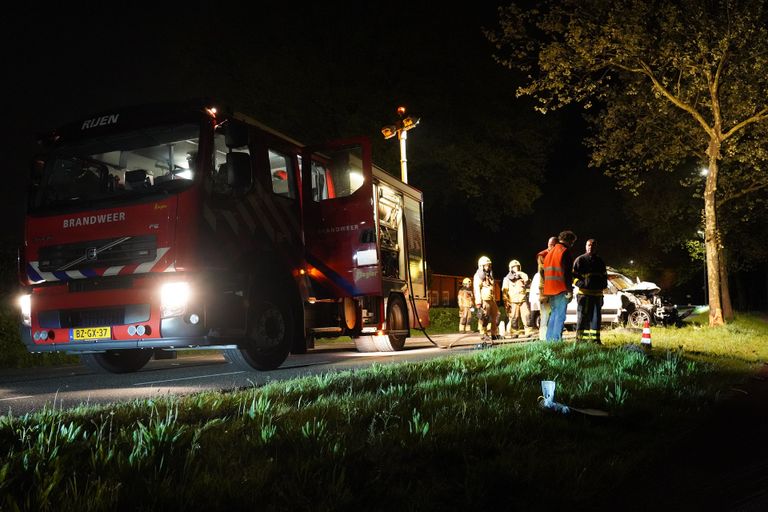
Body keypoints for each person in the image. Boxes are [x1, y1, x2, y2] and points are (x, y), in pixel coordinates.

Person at [542, 230, 577, 342]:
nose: (572, 245)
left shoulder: (549, 253)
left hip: (550, 290)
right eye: (572, 242)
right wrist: (569, 290)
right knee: (560, 315)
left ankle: (549, 339)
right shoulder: (565, 251)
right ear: (568, 240)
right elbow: (566, 273)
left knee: (554, 314)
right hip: (561, 288)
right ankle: (556, 340)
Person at [572, 238, 608, 343]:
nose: (590, 247)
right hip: (584, 295)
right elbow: (572, 277)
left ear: (596, 247)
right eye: (588, 245)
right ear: (585, 246)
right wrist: (581, 284)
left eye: (592, 245)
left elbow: (604, 276)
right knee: (582, 318)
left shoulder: (600, 261)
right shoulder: (580, 260)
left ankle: (595, 340)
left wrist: (603, 285)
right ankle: (580, 340)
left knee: (596, 319)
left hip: (597, 295)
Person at [533, 237, 557, 341]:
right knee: (545, 314)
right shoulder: (542, 255)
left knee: (553, 314)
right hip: (545, 289)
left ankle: (552, 336)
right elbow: (542, 271)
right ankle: (543, 338)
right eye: (550, 245)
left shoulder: (557, 254)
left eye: (553, 245)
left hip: (555, 289)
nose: (551, 247)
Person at [501, 259, 532, 337]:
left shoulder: (522, 276)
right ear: (510, 268)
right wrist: (506, 302)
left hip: (523, 299)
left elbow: (528, 284)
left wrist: (524, 278)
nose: (516, 268)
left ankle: (528, 331)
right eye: (514, 267)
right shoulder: (507, 279)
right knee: (514, 317)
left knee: (527, 315)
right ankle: (514, 332)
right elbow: (504, 291)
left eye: (517, 267)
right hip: (513, 301)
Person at [473, 256, 500, 341]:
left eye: (488, 265)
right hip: (484, 300)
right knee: (484, 317)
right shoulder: (478, 276)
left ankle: (494, 333)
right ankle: (483, 333)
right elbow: (476, 289)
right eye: (486, 265)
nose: (487, 267)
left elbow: (492, 288)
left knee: (495, 316)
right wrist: (478, 302)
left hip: (491, 299)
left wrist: (495, 299)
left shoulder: (490, 276)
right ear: (481, 266)